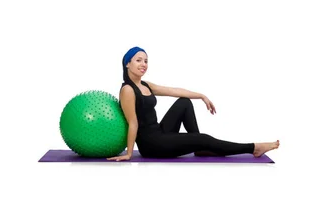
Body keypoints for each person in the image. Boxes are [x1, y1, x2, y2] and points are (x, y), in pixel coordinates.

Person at [107, 46, 279, 161]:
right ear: (127, 63)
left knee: (184, 102)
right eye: (138, 60)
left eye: (146, 61)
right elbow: (133, 122)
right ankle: (253, 148)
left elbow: (174, 91)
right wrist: (129, 153)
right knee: (203, 138)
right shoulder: (128, 90)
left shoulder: (145, 85)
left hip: (159, 132)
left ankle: (199, 147)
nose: (143, 64)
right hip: (152, 145)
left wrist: (201, 96)